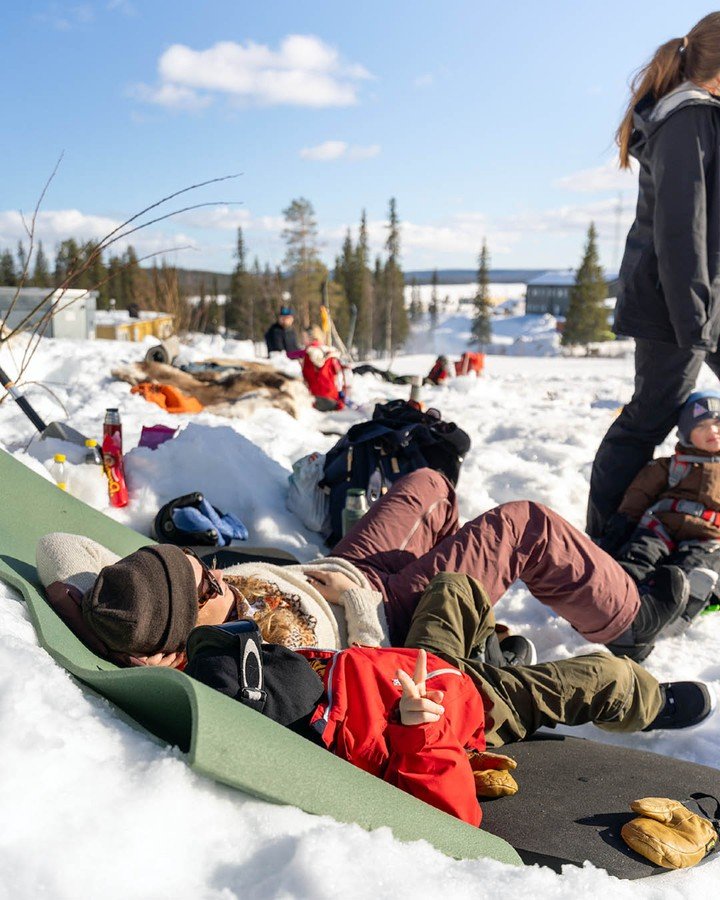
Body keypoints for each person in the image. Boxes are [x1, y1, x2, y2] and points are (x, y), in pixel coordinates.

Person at [184, 572, 714, 828]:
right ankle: (647, 703)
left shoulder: (275, 671)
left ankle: (494, 650)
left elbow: (357, 661)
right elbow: (453, 816)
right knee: (607, 674)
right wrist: (423, 730)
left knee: (456, 587)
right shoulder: (327, 733)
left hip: (425, 664)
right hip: (476, 704)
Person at [37, 468, 689, 665]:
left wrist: (88, 606)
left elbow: (59, 549)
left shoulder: (163, 600)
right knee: (524, 526)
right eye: (207, 582)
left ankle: (472, 627)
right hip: (386, 616)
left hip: (340, 571)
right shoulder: (243, 657)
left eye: (192, 564)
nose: (211, 571)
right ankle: (632, 622)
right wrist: (144, 658)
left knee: (431, 484)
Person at [587, 12, 720, 539]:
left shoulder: (703, 115)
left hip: (702, 295)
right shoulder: (685, 119)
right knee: (648, 419)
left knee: (649, 414)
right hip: (677, 300)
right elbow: (679, 229)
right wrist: (694, 318)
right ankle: (603, 541)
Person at [599, 389, 720, 631]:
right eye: (702, 427)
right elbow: (638, 494)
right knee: (639, 555)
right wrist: (621, 523)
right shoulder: (668, 466)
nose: (712, 432)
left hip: (705, 537)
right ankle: (614, 599)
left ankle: (675, 608)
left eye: (717, 424)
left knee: (692, 570)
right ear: (686, 434)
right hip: (659, 527)